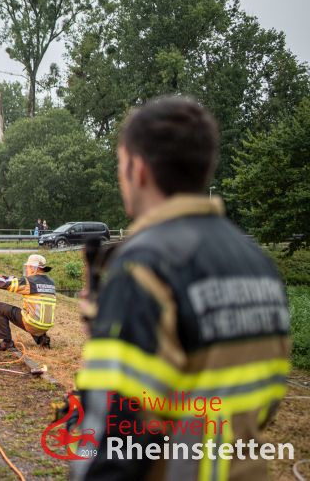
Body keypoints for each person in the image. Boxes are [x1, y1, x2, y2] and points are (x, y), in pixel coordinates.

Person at [70, 97, 290, 480]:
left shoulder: (145, 267)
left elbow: (115, 434)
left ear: (138, 169)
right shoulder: (257, 264)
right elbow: (263, 400)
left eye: (121, 166)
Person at [0, 254, 56, 350]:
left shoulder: (29, 282)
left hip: (33, 324)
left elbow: (4, 284)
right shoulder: (51, 282)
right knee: (32, 313)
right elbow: (15, 281)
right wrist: (7, 277)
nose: (28, 269)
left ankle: (6, 343)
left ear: (35, 268)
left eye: (29, 267)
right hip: (46, 326)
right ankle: (43, 338)